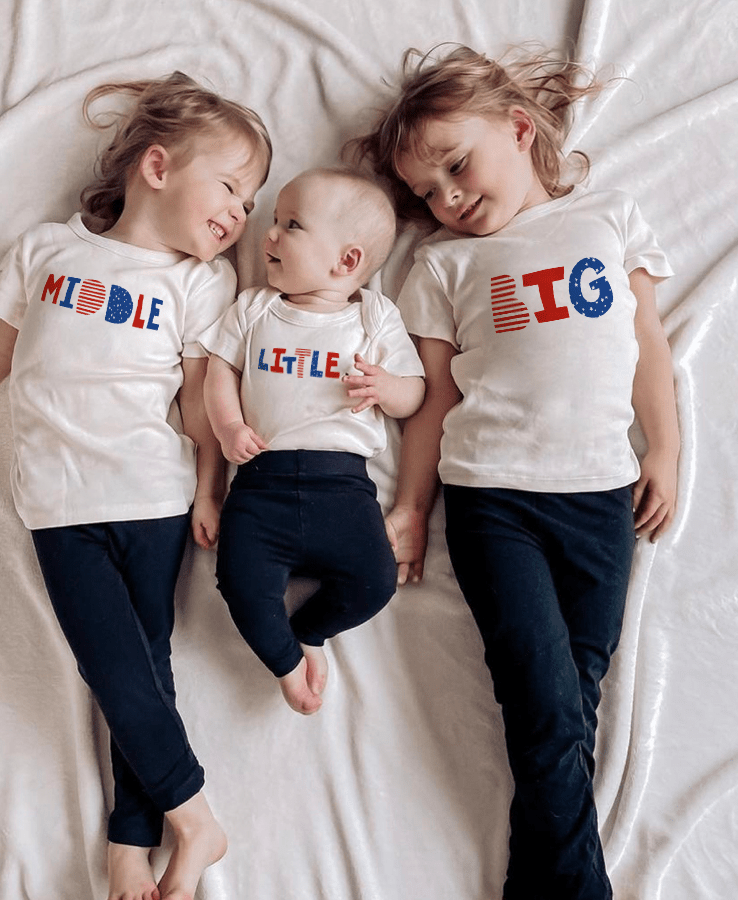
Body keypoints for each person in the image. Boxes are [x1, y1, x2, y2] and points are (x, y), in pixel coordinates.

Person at [0, 72, 271, 900]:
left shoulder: (201, 282)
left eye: (251, 200)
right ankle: (192, 817)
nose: (241, 213)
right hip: (57, 504)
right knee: (113, 666)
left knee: (140, 668)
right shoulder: (48, 251)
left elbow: (200, 400)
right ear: (157, 166)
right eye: (231, 186)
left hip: (151, 498)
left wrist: (209, 489)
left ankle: (131, 844)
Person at [356, 45, 679, 900]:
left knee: (571, 706)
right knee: (544, 701)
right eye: (428, 192)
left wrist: (666, 449)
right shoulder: (443, 264)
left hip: (602, 495)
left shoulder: (608, 218)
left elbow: (650, 346)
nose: (448, 199)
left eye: (456, 167)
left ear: (519, 128)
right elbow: (432, 401)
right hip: (494, 499)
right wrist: (411, 507)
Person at [200, 167, 425, 715]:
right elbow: (219, 371)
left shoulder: (374, 315)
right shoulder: (254, 307)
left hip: (343, 488)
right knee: (239, 581)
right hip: (261, 482)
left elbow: (415, 393)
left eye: (291, 224)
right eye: (274, 220)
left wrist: (387, 388)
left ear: (347, 261)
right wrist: (229, 428)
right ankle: (285, 664)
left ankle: (309, 630)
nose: (269, 234)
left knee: (376, 582)